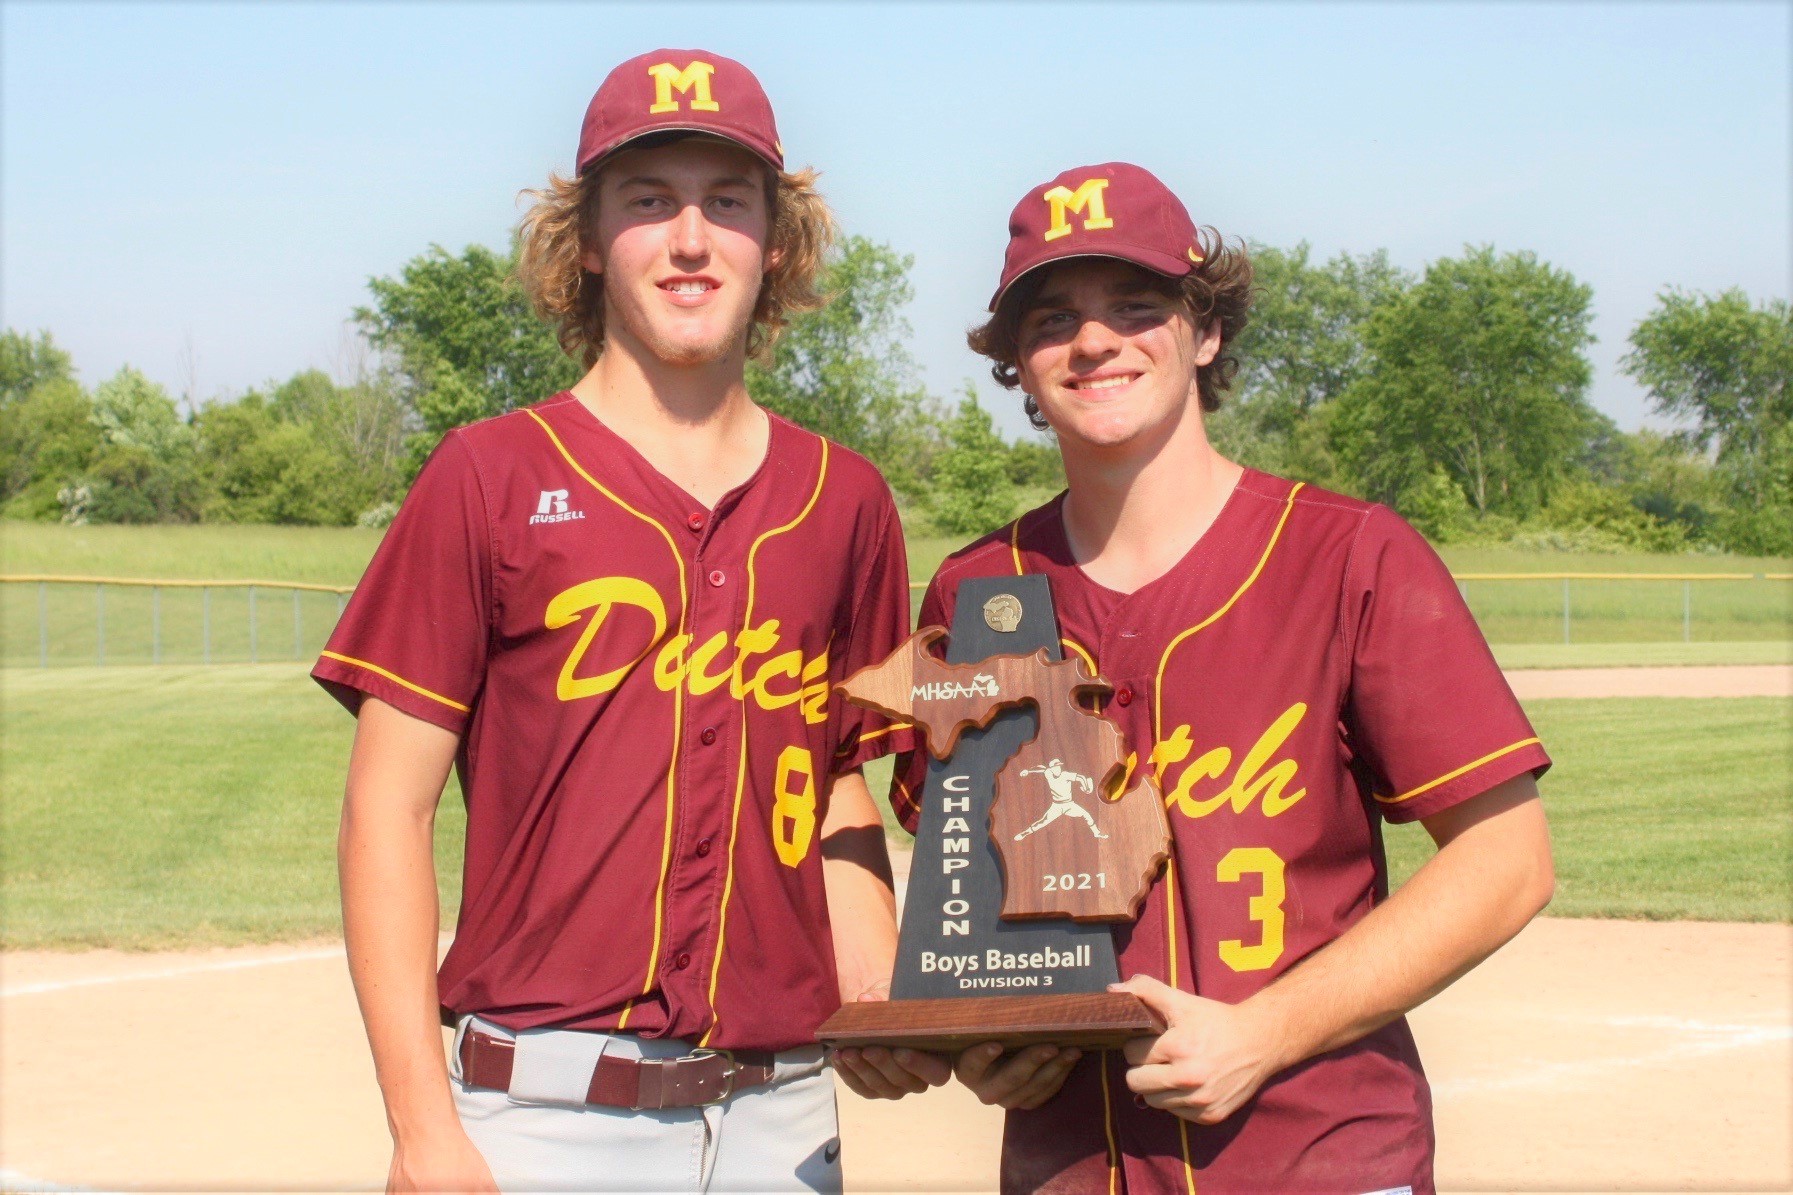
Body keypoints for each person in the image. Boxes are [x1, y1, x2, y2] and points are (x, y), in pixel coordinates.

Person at [315, 49, 925, 1194]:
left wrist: (881, 998)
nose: (689, 240)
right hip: (542, 1114)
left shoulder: (845, 499)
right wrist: (421, 1129)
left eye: (726, 201)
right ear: (587, 239)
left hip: (785, 1113)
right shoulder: (487, 474)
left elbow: (837, 781)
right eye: (648, 201)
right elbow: (382, 811)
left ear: (775, 241)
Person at [895, 162, 1556, 1193]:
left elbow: (1507, 858)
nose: (1095, 340)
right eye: (1053, 316)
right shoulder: (977, 592)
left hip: (1318, 1154)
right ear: (1016, 361)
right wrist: (983, 1041)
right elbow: (963, 907)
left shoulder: (1346, 555)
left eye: (1136, 304)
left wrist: (1264, 1031)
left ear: (1203, 333)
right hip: (1069, 1166)